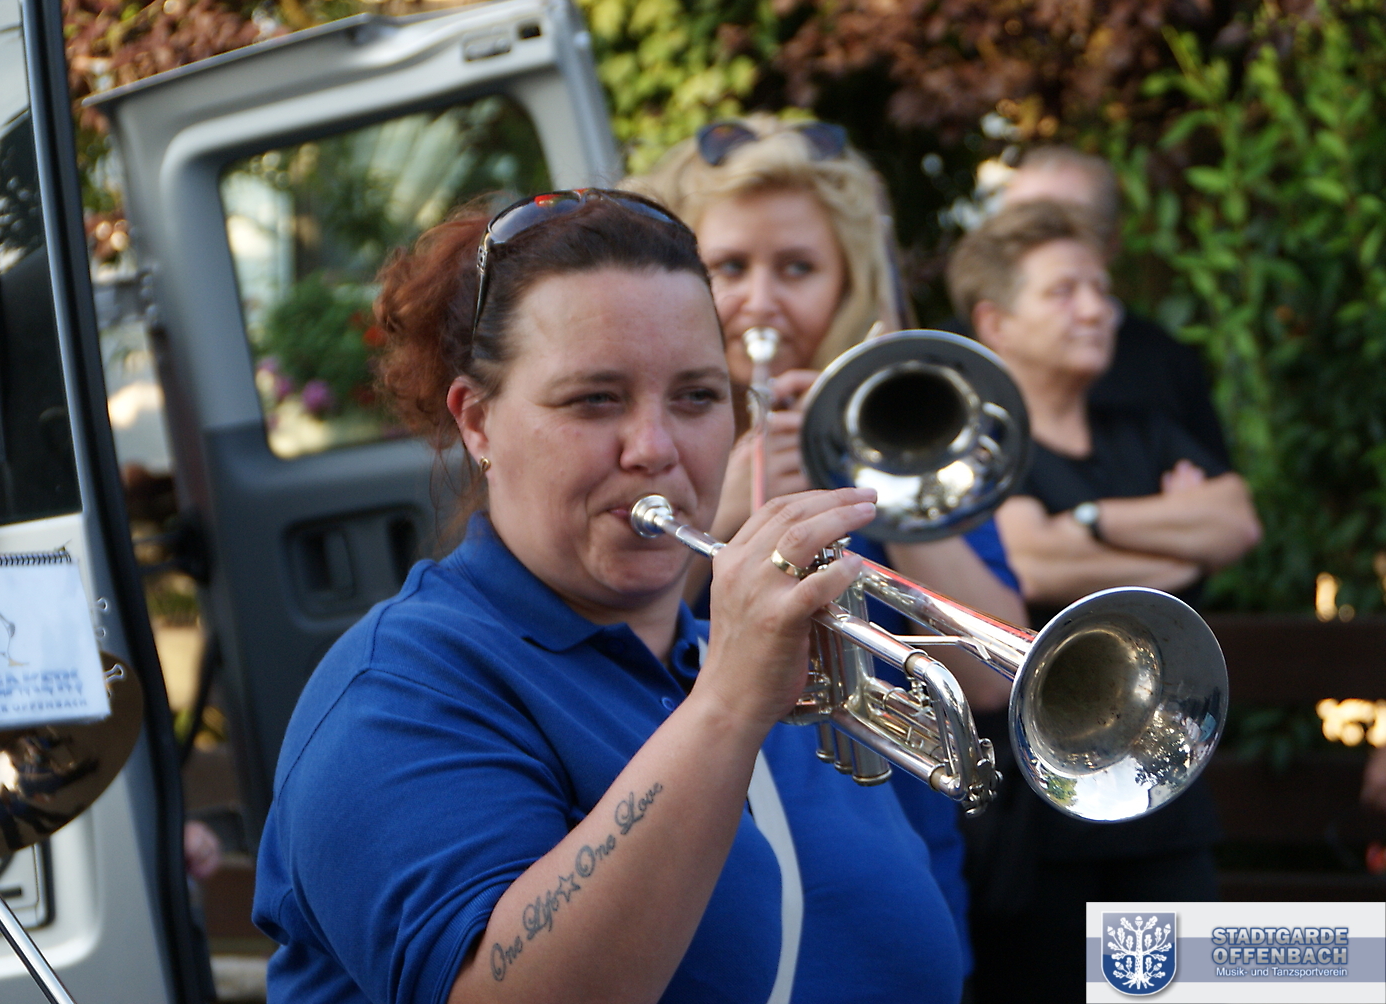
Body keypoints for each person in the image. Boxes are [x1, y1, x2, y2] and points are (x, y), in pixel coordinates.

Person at [252, 190, 966, 1004]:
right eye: (594, 399)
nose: (654, 449)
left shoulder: (751, 663)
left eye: (696, 397)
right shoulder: (394, 691)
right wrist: (726, 708)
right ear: (478, 422)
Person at [627, 115, 1029, 978]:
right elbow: (613, 635)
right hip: (701, 884)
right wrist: (724, 510)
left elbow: (998, 678)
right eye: (730, 267)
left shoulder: (913, 423)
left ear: (848, 281)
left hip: (895, 877)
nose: (761, 300)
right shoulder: (641, 448)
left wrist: (876, 479)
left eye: (798, 268)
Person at [947, 199, 1262, 1003]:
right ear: (995, 323)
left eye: (1101, 289)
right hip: (1036, 823)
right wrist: (1173, 550)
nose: (1095, 309)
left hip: (1166, 795)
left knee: (1177, 991)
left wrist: (1085, 521)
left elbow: (1235, 522)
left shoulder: (1144, 428)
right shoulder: (975, 453)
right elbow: (1031, 563)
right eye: (1064, 291)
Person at [998, 146, 1231, 466]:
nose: (1039, 242)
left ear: (1112, 241)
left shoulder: (1164, 363)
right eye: (1016, 224)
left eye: (1064, 225)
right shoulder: (955, 354)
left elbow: (1219, 488)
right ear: (991, 326)